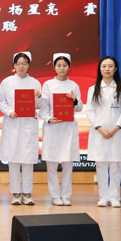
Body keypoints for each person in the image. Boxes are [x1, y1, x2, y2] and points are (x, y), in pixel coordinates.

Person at [85, 56, 121, 207]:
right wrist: (100, 128)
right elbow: (90, 110)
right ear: (100, 69)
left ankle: (115, 197)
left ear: (115, 69)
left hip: (117, 132)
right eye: (104, 66)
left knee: (116, 165)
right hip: (99, 132)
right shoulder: (93, 89)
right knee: (101, 165)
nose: (107, 69)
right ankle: (103, 197)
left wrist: (115, 128)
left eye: (110, 66)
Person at [39, 53, 83, 206]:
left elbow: (79, 108)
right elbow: (43, 108)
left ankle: (65, 195)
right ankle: (54, 196)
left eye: (65, 65)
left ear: (69, 67)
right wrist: (48, 119)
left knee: (68, 164)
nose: (62, 68)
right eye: (59, 65)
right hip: (53, 128)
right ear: (54, 67)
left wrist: (74, 99)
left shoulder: (74, 85)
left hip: (68, 128)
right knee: (51, 165)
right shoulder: (48, 85)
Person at [0, 52, 42, 206]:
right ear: (14, 65)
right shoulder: (7, 82)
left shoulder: (35, 83)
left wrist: (38, 96)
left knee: (28, 160)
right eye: (18, 64)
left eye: (24, 63)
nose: (21, 66)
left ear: (29, 65)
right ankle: (16, 193)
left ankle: (27, 193)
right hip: (13, 124)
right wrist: (9, 111)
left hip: (29, 124)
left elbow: (39, 106)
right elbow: (0, 102)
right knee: (14, 160)